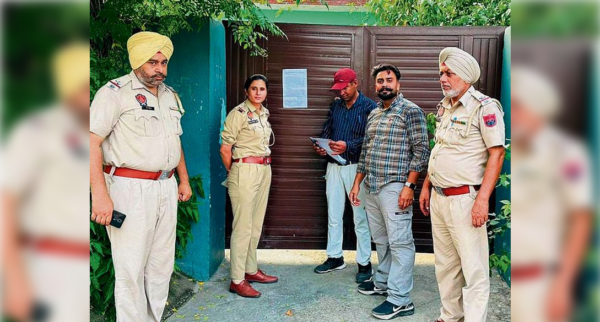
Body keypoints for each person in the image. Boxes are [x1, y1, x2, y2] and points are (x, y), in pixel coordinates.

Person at [90, 31, 192, 321]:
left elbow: (175, 140)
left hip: (166, 187)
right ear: (136, 61)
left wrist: (182, 179)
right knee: (130, 268)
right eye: (152, 62)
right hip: (128, 190)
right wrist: (100, 196)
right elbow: (90, 141)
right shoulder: (114, 93)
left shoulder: (170, 95)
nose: (159, 69)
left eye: (163, 62)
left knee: (161, 266)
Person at [2, 43, 90, 322]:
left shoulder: (93, 134)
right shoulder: (35, 132)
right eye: (82, 87)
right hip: (45, 265)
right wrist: (15, 283)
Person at [419, 47, 506, 322]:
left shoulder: (484, 107)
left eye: (449, 73)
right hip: (440, 198)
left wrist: (482, 200)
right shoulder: (445, 106)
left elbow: (497, 153)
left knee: (474, 269)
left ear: (465, 76)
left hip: (465, 201)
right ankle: (450, 316)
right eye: (441, 73)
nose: (442, 78)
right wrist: (426, 185)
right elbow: (441, 150)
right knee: (445, 265)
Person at [510, 66, 592, 322]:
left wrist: (563, 284)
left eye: (519, 106)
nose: (513, 114)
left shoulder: (566, 152)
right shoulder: (517, 151)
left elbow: (581, 218)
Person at [349, 63, 429, 320]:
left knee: (400, 242)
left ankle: (400, 299)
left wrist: (409, 186)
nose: (384, 84)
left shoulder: (410, 111)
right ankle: (382, 282)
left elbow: (421, 151)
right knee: (381, 240)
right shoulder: (374, 113)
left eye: (389, 80)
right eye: (380, 81)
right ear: (375, 86)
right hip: (371, 186)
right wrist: (356, 183)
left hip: (395, 186)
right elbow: (365, 151)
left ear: (398, 84)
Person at [312, 68, 377, 283]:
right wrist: (322, 145)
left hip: (356, 168)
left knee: (360, 217)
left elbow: (372, 140)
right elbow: (327, 130)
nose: (342, 92)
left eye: (345, 87)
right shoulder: (336, 105)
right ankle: (335, 257)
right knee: (334, 214)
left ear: (355, 83)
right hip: (333, 166)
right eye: (339, 89)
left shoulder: (370, 107)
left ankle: (364, 262)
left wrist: (347, 145)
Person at [220, 74, 278, 298]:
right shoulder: (239, 114)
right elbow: (225, 149)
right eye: (253, 88)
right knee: (243, 227)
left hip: (264, 169)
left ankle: (250, 270)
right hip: (244, 170)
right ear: (247, 91)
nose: (258, 92)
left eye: (262, 89)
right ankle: (237, 279)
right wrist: (235, 170)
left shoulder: (263, 113)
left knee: (255, 225)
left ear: (266, 92)